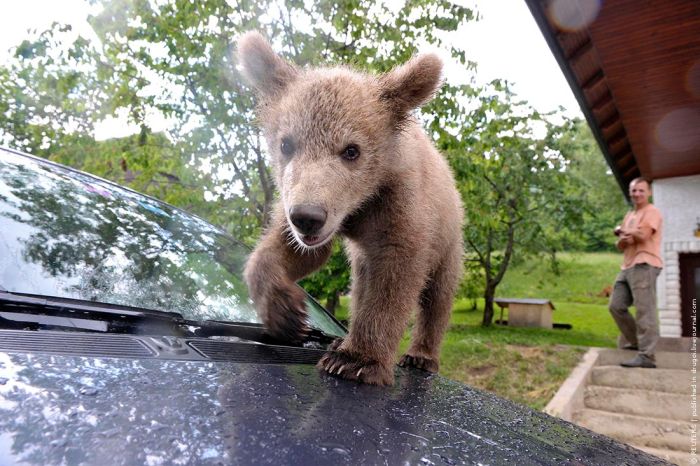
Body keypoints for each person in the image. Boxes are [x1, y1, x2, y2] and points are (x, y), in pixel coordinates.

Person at [609, 177, 663, 368]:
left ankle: (647, 356)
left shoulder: (652, 211)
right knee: (616, 306)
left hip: (645, 263)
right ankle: (637, 343)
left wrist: (622, 231)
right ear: (630, 193)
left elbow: (644, 235)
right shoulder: (630, 214)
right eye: (634, 190)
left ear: (649, 193)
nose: (637, 194)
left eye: (641, 190)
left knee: (644, 309)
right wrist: (623, 237)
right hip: (627, 266)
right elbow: (621, 244)